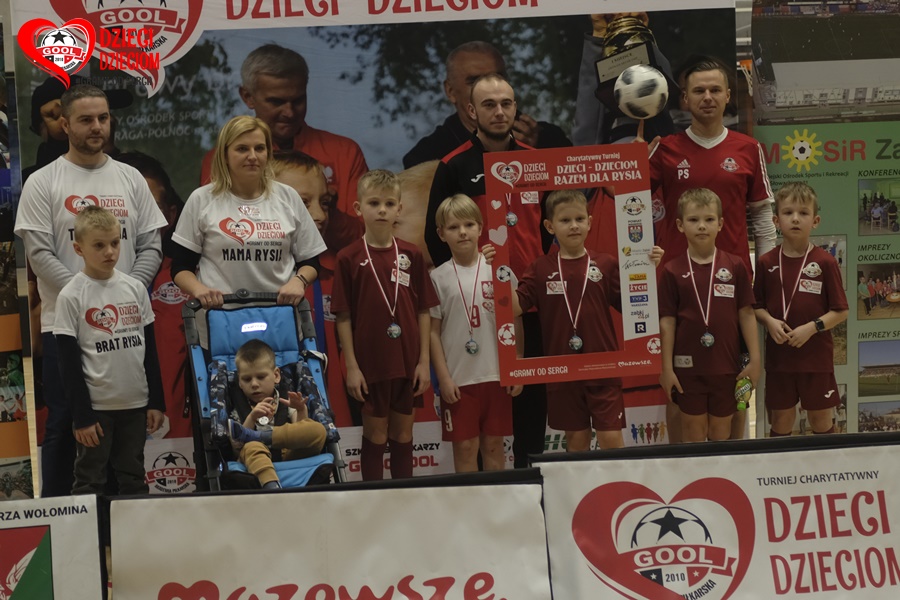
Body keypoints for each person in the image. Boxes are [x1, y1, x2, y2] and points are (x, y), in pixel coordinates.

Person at [14, 84, 166, 497]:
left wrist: (125, 292)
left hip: (126, 326)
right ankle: (60, 519)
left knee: (124, 427)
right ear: (65, 125)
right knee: (66, 423)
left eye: (103, 118)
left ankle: (118, 518)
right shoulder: (43, 182)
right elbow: (39, 253)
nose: (97, 126)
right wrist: (86, 297)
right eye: (86, 119)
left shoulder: (130, 178)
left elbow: (151, 245)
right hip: (64, 325)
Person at [648, 58, 775, 442]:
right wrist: (631, 162)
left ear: (727, 97)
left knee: (738, 384)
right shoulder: (664, 150)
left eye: (715, 90)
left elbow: (762, 218)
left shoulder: (749, 149)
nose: (707, 97)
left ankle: (737, 461)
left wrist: (764, 278)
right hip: (678, 288)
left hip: (732, 288)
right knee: (677, 385)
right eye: (699, 90)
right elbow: (627, 203)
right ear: (684, 99)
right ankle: (679, 466)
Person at [427, 72, 550, 467]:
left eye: (506, 104)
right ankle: (484, 488)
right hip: (478, 310)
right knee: (481, 417)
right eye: (489, 105)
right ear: (470, 110)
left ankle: (529, 480)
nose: (499, 112)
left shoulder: (536, 162)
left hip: (528, 305)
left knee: (530, 401)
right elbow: (436, 237)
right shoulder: (454, 166)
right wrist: (469, 284)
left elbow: (550, 231)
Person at [485, 190, 662, 452]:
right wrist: (495, 267)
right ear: (550, 226)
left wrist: (647, 270)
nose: (574, 226)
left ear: (589, 222)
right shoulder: (540, 268)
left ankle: (616, 481)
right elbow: (513, 308)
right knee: (576, 443)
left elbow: (635, 307)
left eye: (579, 219)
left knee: (611, 440)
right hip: (563, 374)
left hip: (603, 370)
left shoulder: (606, 264)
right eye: (565, 220)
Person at [331, 169, 439, 480]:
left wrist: (423, 362)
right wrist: (352, 367)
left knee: (403, 433)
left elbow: (423, 310)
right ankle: (373, 498)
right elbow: (343, 316)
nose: (382, 210)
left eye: (389, 204)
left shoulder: (411, 254)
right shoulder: (348, 257)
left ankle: (404, 497)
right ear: (358, 208)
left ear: (399, 209)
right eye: (374, 203)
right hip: (371, 363)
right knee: (376, 434)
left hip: (407, 361)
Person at [53, 206, 165, 494]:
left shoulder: (135, 288)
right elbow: (68, 364)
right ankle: (92, 527)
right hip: (97, 409)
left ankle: (134, 526)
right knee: (89, 480)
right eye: (99, 245)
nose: (110, 252)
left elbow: (150, 351)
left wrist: (156, 401)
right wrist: (82, 416)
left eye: (115, 242)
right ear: (78, 249)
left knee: (134, 477)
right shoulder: (71, 295)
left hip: (135, 404)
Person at [200, 44, 368, 236]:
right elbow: (213, 233)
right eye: (276, 102)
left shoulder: (344, 153)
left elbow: (368, 237)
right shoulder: (224, 159)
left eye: (298, 100)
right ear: (248, 97)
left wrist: (329, 210)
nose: (289, 112)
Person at [170, 115, 326, 316]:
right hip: (219, 317)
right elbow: (181, 267)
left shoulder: (288, 197)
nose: (252, 156)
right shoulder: (201, 199)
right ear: (225, 155)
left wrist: (299, 281)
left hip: (281, 316)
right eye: (242, 149)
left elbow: (311, 261)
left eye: (259, 148)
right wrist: (199, 290)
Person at [658, 189, 760, 443]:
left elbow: (747, 313)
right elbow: (667, 322)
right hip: (687, 368)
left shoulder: (735, 266)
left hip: (726, 366)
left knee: (721, 433)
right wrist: (666, 368)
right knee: (693, 433)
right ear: (680, 225)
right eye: (693, 220)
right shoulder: (672, 270)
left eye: (709, 219)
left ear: (720, 224)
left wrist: (756, 359)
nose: (702, 226)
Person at [429, 194, 521, 472]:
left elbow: (516, 318)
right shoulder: (438, 277)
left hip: (496, 374)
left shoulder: (499, 269)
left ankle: (497, 500)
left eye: (469, 225)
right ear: (441, 234)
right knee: (465, 448)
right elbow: (432, 333)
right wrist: (444, 379)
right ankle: (469, 501)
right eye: (453, 227)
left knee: (494, 446)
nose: (462, 232)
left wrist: (517, 364)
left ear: (481, 228)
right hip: (459, 378)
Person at [271, 151, 362, 428]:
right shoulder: (252, 283)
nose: (320, 215)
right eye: (303, 202)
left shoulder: (336, 278)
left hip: (337, 431)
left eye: (324, 203)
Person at [753, 182, 848, 436]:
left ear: (815, 221)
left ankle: (824, 464)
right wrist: (769, 321)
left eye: (803, 213)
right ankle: (780, 465)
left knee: (821, 421)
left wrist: (812, 327)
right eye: (788, 212)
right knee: (781, 421)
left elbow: (841, 311)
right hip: (780, 360)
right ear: (776, 220)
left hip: (816, 359)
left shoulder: (825, 262)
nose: (795, 218)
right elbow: (756, 307)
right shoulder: (766, 262)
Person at [115, 151, 192, 439]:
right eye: (125, 207)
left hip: (182, 441)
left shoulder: (192, 282)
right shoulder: (80, 285)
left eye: (149, 207)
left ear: (170, 216)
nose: (137, 219)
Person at [403, 41, 570, 169]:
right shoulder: (426, 158)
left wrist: (533, 158)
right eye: (474, 81)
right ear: (451, 91)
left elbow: (571, 200)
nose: (489, 88)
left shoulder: (549, 140)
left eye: (497, 78)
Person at [219, 339, 327, 489]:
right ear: (239, 382)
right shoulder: (238, 405)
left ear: (276, 375)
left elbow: (300, 433)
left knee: (318, 430)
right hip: (256, 459)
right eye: (247, 379)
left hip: (289, 454)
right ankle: (271, 485)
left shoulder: (286, 399)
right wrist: (251, 417)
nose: (254, 384)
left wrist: (301, 410)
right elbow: (237, 448)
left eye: (261, 377)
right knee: (251, 446)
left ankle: (259, 435)